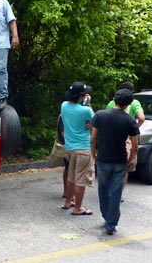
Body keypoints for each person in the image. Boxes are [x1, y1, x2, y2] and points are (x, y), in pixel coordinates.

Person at [91, 89, 140, 235]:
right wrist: (130, 160)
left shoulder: (100, 115)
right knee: (116, 192)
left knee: (103, 189)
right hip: (120, 161)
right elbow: (135, 146)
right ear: (129, 104)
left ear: (114, 99)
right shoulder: (130, 120)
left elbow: (93, 139)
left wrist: (94, 155)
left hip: (103, 158)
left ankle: (107, 217)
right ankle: (111, 224)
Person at [105, 82, 145, 200]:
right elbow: (142, 118)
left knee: (109, 165)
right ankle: (118, 193)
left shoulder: (111, 103)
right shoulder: (134, 103)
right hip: (125, 140)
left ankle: (108, 190)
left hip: (110, 139)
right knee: (124, 168)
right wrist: (134, 128)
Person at [61, 82, 95, 215]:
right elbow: (97, 122)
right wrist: (88, 103)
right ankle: (78, 208)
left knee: (71, 177)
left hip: (69, 148)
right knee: (80, 179)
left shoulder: (64, 105)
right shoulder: (85, 110)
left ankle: (68, 202)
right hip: (83, 148)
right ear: (81, 95)